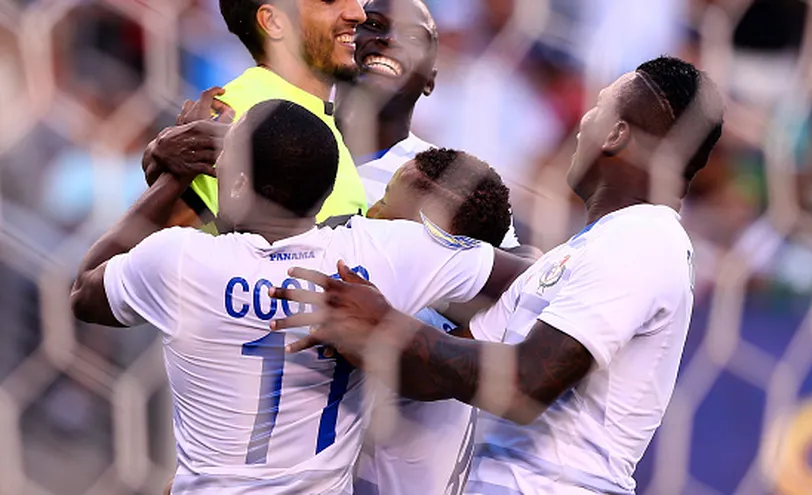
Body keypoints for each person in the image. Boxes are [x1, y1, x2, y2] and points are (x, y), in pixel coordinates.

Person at [270, 56, 725, 495]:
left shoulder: (646, 237)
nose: (581, 123)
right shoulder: (575, 254)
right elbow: (439, 374)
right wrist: (358, 317)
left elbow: (527, 384)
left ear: (615, 133)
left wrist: (385, 324)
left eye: (599, 106)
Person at [70, 100, 530, 494]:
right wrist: (460, 332)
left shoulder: (177, 260)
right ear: (329, 189)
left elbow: (84, 291)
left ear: (235, 183)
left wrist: (175, 176)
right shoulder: (382, 254)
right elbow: (532, 273)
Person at [357, 148, 512, 495]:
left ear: (434, 243)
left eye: (386, 204)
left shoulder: (390, 316)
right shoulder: (485, 320)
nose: (370, 212)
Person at [142, 0, 369, 230]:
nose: (358, 14)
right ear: (273, 22)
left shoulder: (309, 109)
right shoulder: (234, 116)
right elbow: (165, 251)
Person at [335, 0, 521, 248]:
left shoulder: (447, 181)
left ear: (430, 81)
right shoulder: (284, 133)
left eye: (413, 37)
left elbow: (522, 264)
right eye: (373, 24)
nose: (390, 39)